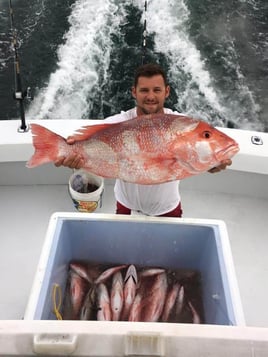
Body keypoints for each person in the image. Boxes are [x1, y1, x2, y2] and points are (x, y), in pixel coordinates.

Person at [55, 63, 231, 217]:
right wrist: (69, 152)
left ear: (167, 91)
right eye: (144, 90)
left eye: (157, 90)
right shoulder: (119, 122)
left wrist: (212, 164)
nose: (151, 96)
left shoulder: (182, 125)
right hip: (126, 205)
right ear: (134, 92)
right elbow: (83, 141)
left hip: (166, 208)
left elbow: (195, 154)